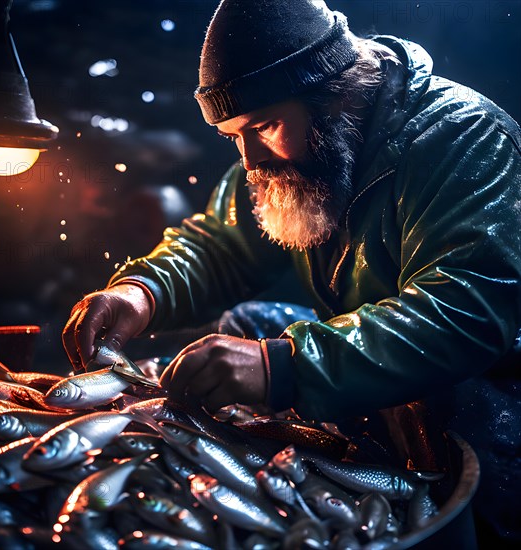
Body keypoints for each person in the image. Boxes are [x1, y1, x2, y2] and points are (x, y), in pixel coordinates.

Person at [63, 0, 521, 545]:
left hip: (491, 389)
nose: (250, 159)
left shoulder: (464, 138)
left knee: (473, 446)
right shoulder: (286, 149)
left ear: (338, 94)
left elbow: (465, 311)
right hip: (374, 371)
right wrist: (142, 292)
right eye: (234, 136)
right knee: (250, 321)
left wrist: (288, 364)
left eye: (264, 126)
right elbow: (222, 245)